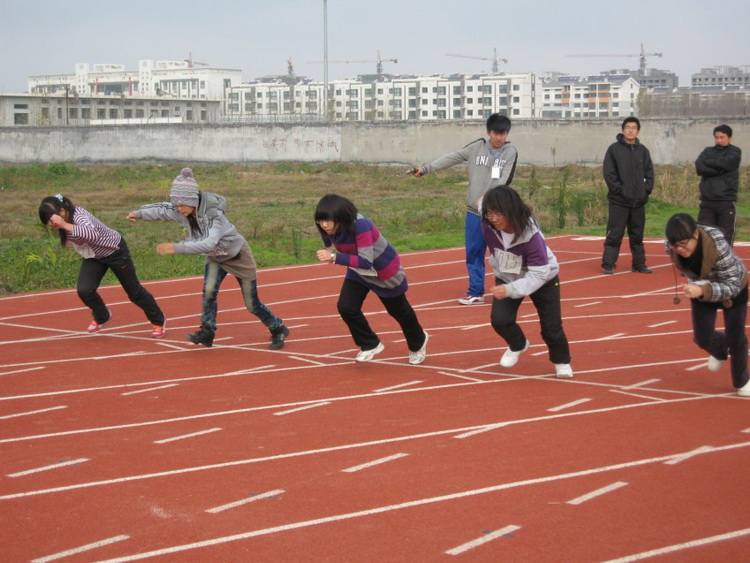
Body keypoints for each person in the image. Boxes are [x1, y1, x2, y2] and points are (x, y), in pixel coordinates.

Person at [127, 167, 289, 349]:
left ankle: (278, 328)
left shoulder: (213, 215)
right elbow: (162, 210)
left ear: (192, 201)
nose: (178, 209)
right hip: (215, 258)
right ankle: (207, 331)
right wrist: (138, 213)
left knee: (252, 305)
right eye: (176, 205)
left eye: (181, 205)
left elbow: (208, 243)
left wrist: (177, 248)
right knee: (209, 292)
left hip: (237, 256)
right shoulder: (182, 210)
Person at [411, 113, 518, 305]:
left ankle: (510, 289)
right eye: (496, 133)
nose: (499, 137)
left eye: (503, 134)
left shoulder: (510, 152)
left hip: (499, 214)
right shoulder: (476, 147)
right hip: (475, 213)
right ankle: (476, 292)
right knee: (474, 253)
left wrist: (489, 198)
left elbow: (505, 180)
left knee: (503, 253)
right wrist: (426, 169)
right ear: (489, 132)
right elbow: (452, 157)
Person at [314, 194, 428, 364]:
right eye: (320, 221)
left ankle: (418, 342)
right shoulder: (328, 228)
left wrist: (334, 257)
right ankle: (370, 344)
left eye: (328, 220)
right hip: (358, 271)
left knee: (399, 312)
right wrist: (328, 247)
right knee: (346, 307)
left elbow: (366, 261)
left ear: (341, 217)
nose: (324, 225)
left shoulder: (361, 225)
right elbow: (327, 237)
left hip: (383, 271)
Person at [38, 194, 166, 337]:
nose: (51, 225)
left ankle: (158, 321)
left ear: (62, 211)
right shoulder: (64, 221)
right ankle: (102, 316)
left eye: (51, 221)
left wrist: (64, 225)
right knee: (85, 290)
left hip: (115, 251)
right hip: (94, 256)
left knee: (134, 292)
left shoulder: (78, 216)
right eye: (47, 222)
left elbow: (92, 234)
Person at [480, 185, 573, 378]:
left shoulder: (532, 236)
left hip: (543, 279)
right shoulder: (487, 224)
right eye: (489, 214)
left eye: (498, 214)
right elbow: (481, 203)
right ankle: (518, 344)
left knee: (551, 328)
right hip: (508, 276)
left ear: (511, 211)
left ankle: (562, 362)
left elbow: (538, 274)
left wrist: (510, 290)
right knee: (500, 320)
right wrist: (482, 200)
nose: (493, 219)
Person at [665, 213, 749, 397]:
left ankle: (742, 381)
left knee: (736, 338)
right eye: (674, 245)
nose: (679, 249)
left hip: (734, 286)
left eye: (683, 244)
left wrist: (703, 290)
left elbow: (733, 285)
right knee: (702, 337)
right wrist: (700, 289)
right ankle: (720, 350)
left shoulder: (717, 245)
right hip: (699, 286)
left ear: (696, 234)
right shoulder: (670, 245)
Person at [601, 116, 654, 275]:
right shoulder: (614, 150)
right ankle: (608, 264)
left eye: (634, 128)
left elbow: (649, 173)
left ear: (638, 131)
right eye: (628, 128)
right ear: (623, 130)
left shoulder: (643, 151)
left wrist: (645, 191)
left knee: (637, 235)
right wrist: (620, 191)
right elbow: (609, 174)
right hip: (619, 201)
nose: (631, 130)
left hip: (638, 202)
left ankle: (639, 264)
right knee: (614, 234)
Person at [695, 124, 742, 247]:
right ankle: (707, 260)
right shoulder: (707, 151)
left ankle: (726, 259)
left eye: (722, 137)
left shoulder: (735, 151)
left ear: (729, 138)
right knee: (704, 237)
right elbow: (699, 167)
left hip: (725, 201)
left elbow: (726, 164)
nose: (719, 140)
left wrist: (708, 162)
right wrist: (719, 168)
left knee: (725, 238)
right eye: (716, 137)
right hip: (707, 201)